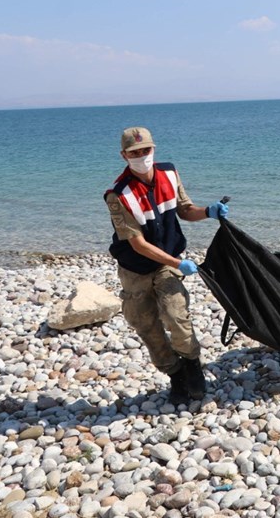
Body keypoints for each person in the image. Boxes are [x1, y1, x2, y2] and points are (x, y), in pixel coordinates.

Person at [104, 127, 229, 405]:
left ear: (154, 149)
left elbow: (185, 209)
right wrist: (179, 262)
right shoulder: (118, 194)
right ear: (124, 155)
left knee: (176, 315)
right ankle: (175, 374)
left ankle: (193, 367)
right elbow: (137, 243)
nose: (141, 156)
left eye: (146, 150)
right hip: (135, 268)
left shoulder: (169, 174)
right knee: (144, 323)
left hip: (167, 263)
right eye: (134, 153)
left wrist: (208, 212)